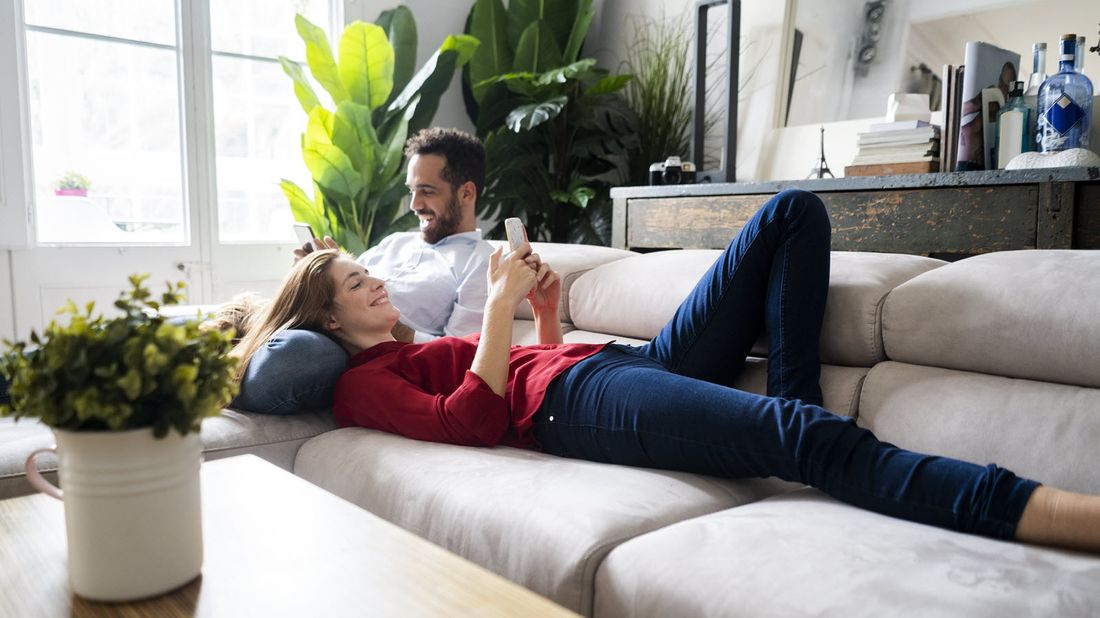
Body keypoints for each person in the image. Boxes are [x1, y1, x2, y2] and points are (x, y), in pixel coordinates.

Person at [230, 189, 1100, 553]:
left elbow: (522, 368)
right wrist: (497, 311)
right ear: (328, 319)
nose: (375, 280)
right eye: (356, 282)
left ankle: (790, 424)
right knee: (808, 438)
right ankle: (1057, 514)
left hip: (610, 365)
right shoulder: (358, 383)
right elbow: (475, 421)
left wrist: (538, 312)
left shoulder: (404, 346)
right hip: (584, 406)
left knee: (792, 213)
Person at [232, 127, 495, 413]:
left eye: (427, 192)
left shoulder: (482, 263)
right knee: (203, 321)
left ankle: (219, 377)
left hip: (354, 353)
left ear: (466, 193)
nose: (414, 205)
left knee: (300, 354)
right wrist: (311, 278)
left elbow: (462, 353)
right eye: (411, 191)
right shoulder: (395, 242)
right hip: (313, 322)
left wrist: (388, 325)